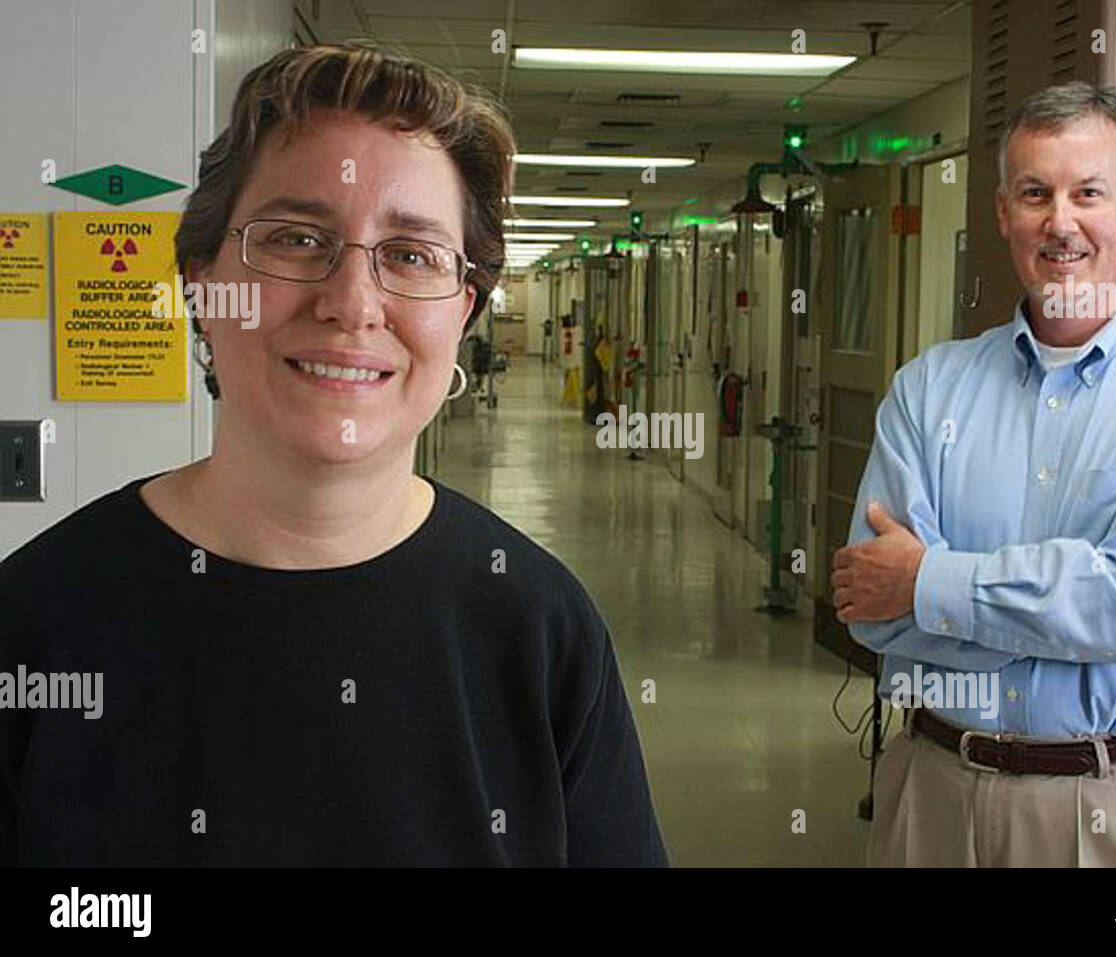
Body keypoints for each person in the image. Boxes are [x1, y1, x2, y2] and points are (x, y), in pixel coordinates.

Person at [0, 42, 667, 867]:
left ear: (464, 309)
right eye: (295, 239)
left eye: (412, 254)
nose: (352, 304)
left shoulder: (537, 629)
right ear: (201, 282)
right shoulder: (33, 624)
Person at [831, 82, 1116, 867]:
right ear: (1003, 212)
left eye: (1088, 193)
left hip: (1113, 804)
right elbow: (873, 609)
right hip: (930, 795)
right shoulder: (929, 389)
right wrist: (1068, 607)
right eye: (1035, 193)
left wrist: (931, 582)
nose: (1059, 221)